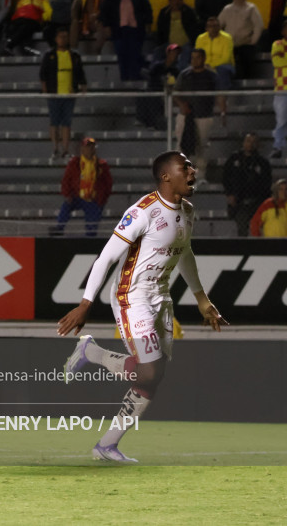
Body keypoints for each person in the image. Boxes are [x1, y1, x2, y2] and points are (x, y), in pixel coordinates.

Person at [57, 150, 227, 463]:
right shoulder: (143, 212)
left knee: (154, 377)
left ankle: (106, 446)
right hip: (131, 296)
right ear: (166, 176)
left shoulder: (188, 211)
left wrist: (203, 299)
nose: (192, 172)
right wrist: (85, 303)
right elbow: (106, 257)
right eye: (185, 167)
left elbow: (185, 254)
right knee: (149, 371)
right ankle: (91, 353)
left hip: (161, 297)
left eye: (191, 167)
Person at [40, 26, 87, 160]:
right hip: (54, 93)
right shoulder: (49, 56)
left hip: (69, 93)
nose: (63, 39)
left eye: (66, 36)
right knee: (54, 122)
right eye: (61, 36)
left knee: (66, 122)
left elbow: (80, 73)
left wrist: (83, 86)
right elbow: (43, 75)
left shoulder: (74, 56)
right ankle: (55, 148)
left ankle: (66, 149)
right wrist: (45, 91)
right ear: (56, 39)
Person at [51, 137, 112, 237]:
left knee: (92, 228)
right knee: (66, 206)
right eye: (88, 147)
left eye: (92, 147)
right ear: (82, 149)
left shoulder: (101, 165)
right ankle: (59, 227)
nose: (90, 150)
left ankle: (90, 238)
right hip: (76, 196)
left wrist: (102, 200)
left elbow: (108, 183)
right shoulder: (75, 163)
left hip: (93, 199)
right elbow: (66, 179)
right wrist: (67, 194)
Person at [174, 48, 217, 181]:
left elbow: (219, 93)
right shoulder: (184, 75)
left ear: (203, 59)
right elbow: (175, 93)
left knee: (202, 146)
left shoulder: (211, 75)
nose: (194, 60)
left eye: (197, 57)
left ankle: (201, 176)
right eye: (192, 58)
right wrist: (182, 104)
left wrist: (222, 112)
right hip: (185, 115)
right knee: (181, 146)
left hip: (203, 116)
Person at [222, 133, 272, 236]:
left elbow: (267, 184)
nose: (251, 144)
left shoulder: (263, 163)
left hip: (257, 201)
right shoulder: (234, 159)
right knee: (242, 226)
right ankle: (243, 250)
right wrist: (229, 194)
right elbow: (225, 178)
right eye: (248, 141)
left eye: (254, 142)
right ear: (243, 143)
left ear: (258, 144)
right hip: (239, 201)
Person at [99, 0, 152, 81]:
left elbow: (147, 9)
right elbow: (105, 11)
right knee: (122, 55)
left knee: (135, 54)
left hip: (135, 30)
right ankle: (125, 78)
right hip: (119, 31)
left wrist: (147, 23)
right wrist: (107, 25)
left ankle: (134, 76)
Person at [195, 17, 234, 122]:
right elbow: (198, 55)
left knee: (221, 72)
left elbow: (226, 58)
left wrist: (210, 66)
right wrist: (205, 66)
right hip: (205, 65)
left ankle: (222, 111)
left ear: (220, 27)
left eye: (216, 26)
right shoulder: (200, 38)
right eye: (211, 26)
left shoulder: (227, 38)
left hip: (224, 66)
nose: (214, 28)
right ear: (206, 28)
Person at [135, 43, 181, 130]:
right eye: (173, 52)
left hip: (167, 93)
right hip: (154, 90)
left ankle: (151, 124)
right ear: (168, 53)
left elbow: (176, 85)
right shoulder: (157, 67)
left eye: (177, 53)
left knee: (154, 98)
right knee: (143, 93)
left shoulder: (175, 71)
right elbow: (151, 78)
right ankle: (142, 120)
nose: (175, 55)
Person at [218, 0, 263, 80]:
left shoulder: (251, 8)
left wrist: (253, 41)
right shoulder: (227, 9)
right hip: (230, 45)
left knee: (247, 64)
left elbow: (258, 26)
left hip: (246, 44)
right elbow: (219, 24)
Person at [154, 0, 199, 69]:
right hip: (169, 44)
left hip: (185, 43)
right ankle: (154, 72)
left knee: (186, 53)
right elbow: (160, 31)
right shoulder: (164, 13)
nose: (176, 3)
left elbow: (194, 30)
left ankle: (179, 73)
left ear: (182, 1)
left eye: (178, 0)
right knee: (158, 51)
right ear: (169, 1)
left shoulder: (189, 12)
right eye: (174, 0)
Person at [271, 20, 287, 159]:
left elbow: (283, 60)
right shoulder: (277, 44)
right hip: (282, 88)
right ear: (283, 31)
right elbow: (278, 62)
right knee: (281, 120)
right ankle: (278, 146)